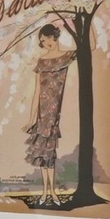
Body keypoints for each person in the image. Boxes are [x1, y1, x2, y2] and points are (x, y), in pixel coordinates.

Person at [24, 24, 77, 205]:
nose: (46, 42)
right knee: (44, 155)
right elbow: (37, 92)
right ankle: (46, 192)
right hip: (42, 115)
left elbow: (90, 46)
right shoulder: (42, 61)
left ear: (54, 35)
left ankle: (52, 192)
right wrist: (31, 120)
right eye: (42, 41)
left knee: (50, 155)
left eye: (47, 38)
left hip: (55, 115)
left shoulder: (66, 56)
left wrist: (84, 23)